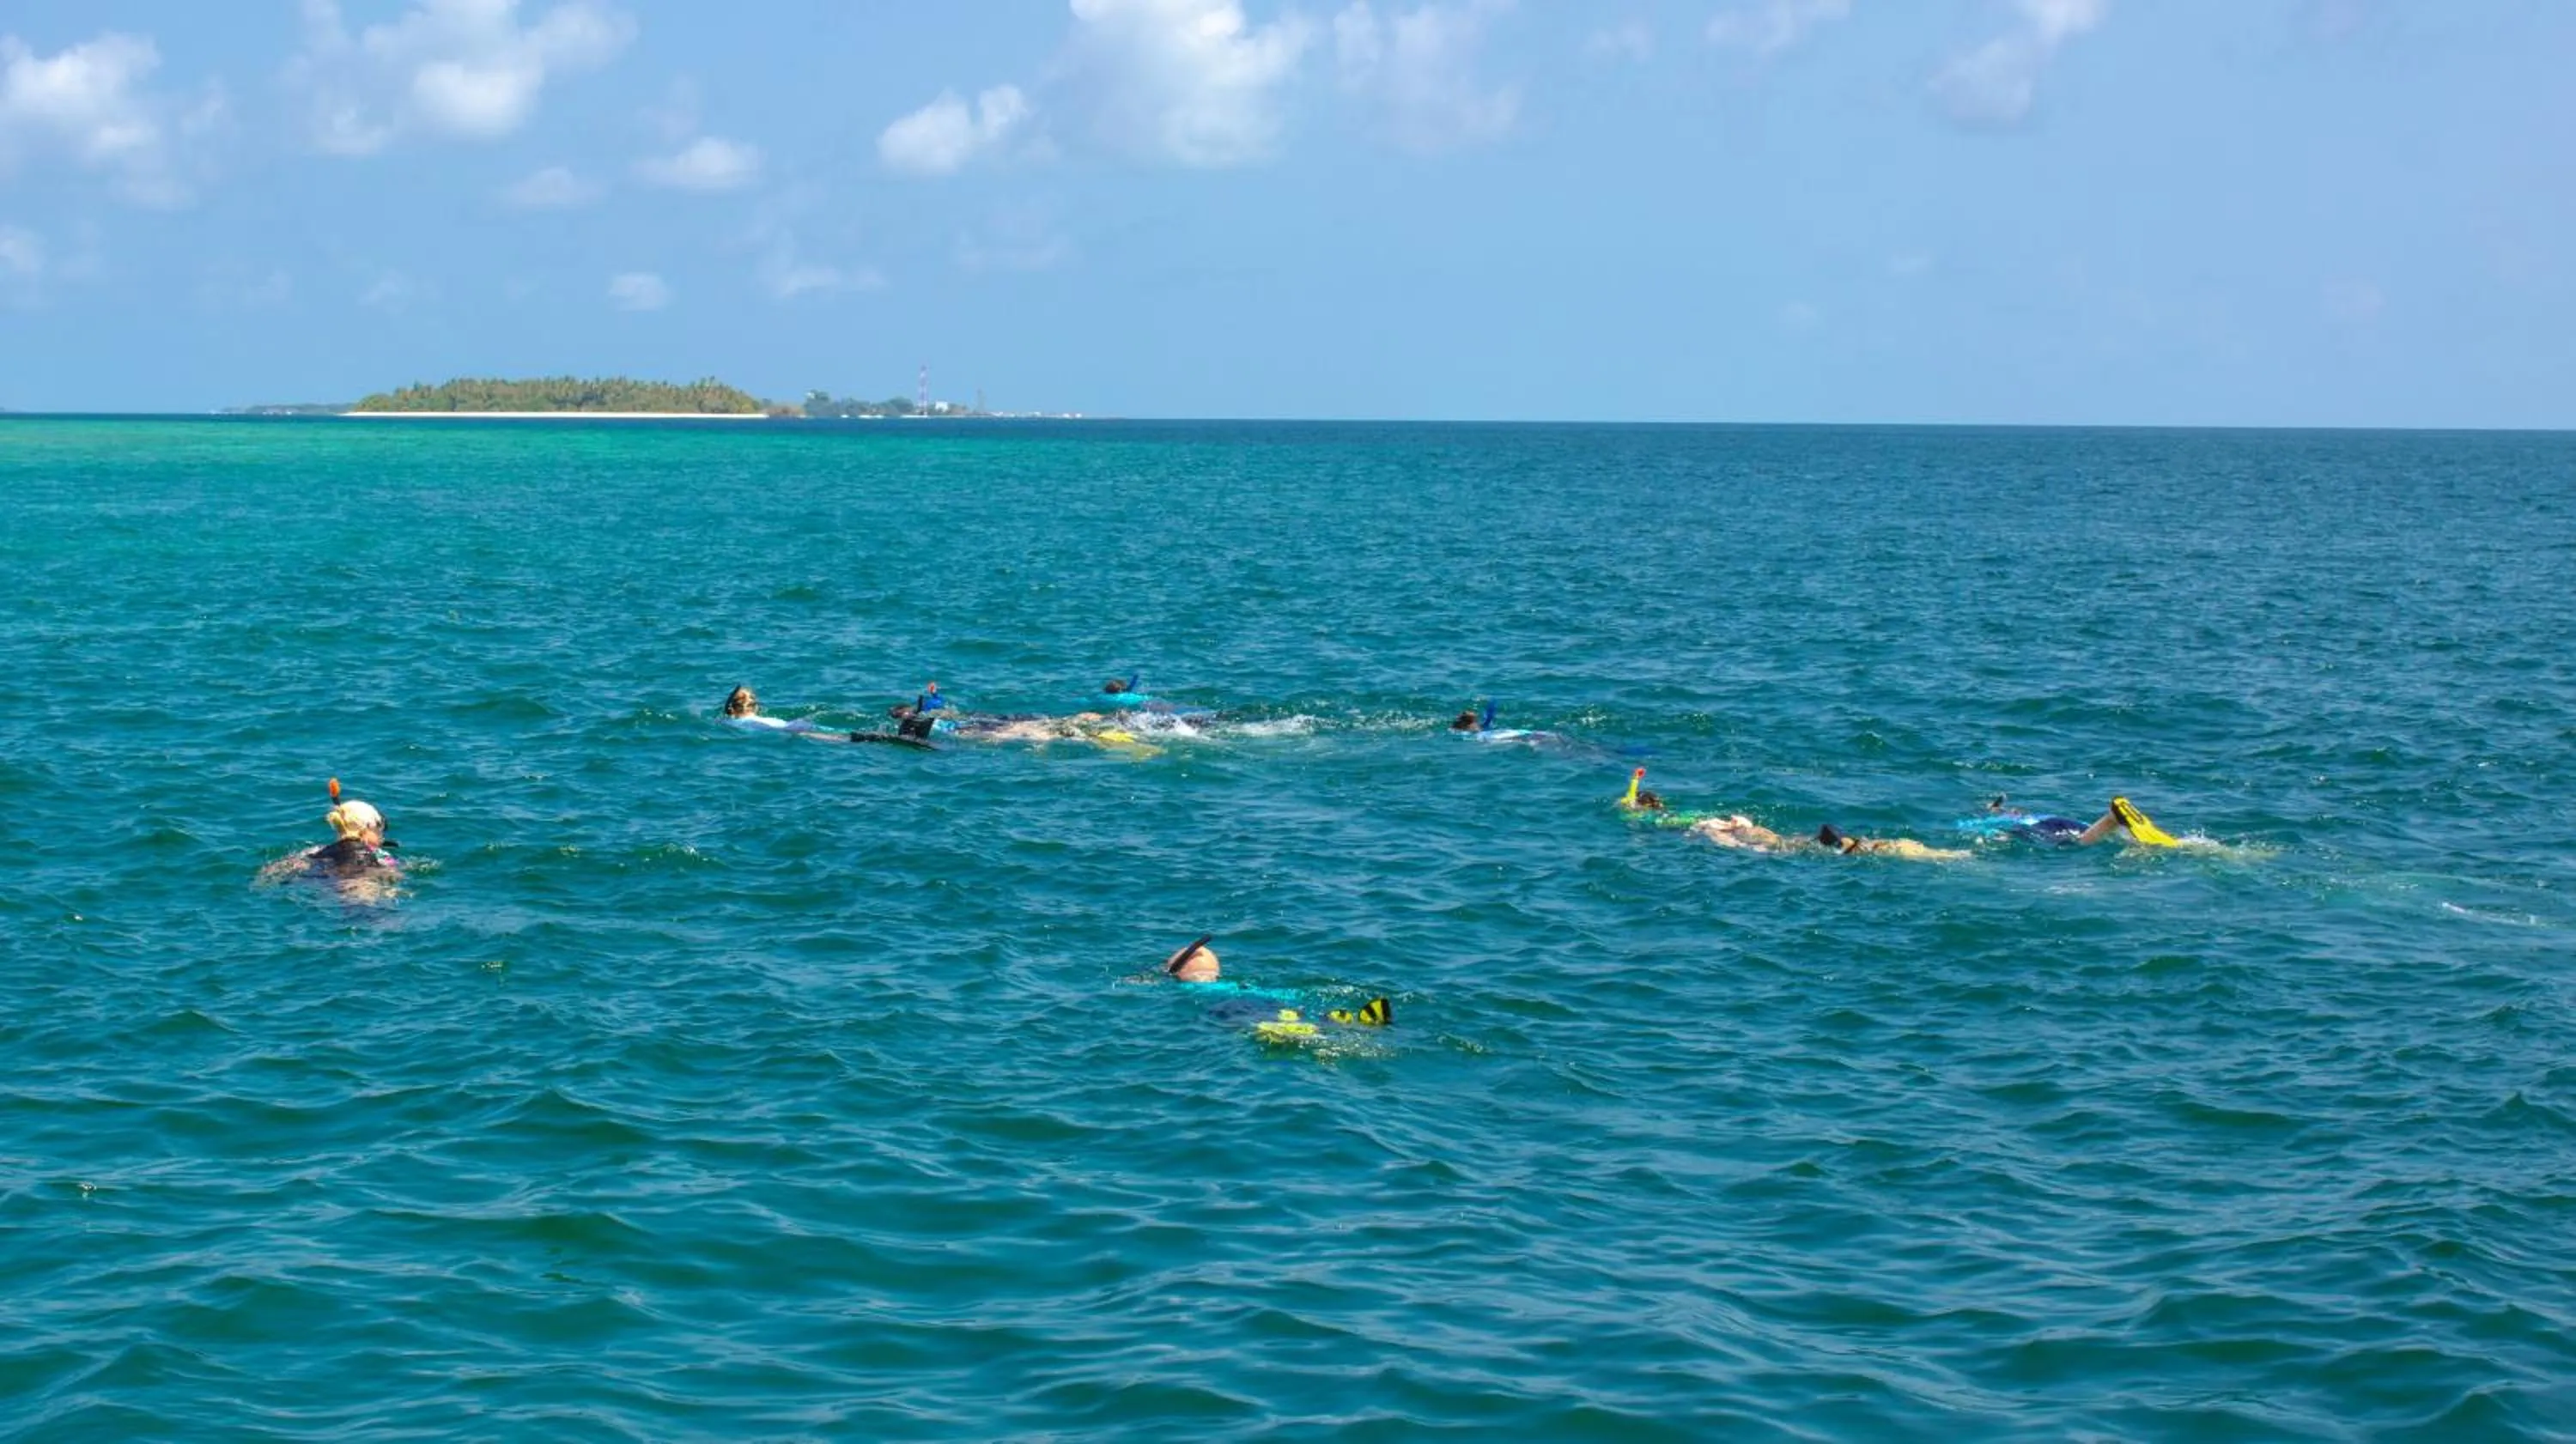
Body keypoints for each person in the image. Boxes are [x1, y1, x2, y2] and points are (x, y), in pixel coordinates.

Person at [1157, 935, 1392, 1030]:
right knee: (1288, 1010)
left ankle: (1302, 1027)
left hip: (1232, 1005)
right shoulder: (1240, 984)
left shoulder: (1190, 987)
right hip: (1269, 997)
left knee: (1256, 1022)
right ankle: (1330, 1018)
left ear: (1179, 972)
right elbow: (1293, 993)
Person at [260, 779, 402, 897]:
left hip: (325, 886)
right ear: (366, 829)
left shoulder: (317, 851)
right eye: (378, 831)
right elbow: (395, 876)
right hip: (360, 889)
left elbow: (279, 869)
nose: (380, 836)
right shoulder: (379, 856)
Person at [1813, 824, 1970, 861]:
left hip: (1897, 849)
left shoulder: (1845, 848)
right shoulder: (1852, 840)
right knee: (1942, 854)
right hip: (1899, 843)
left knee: (1944, 858)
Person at [720, 685, 819, 733]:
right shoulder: (770, 720)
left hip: (779, 729)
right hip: (788, 724)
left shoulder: (730, 722)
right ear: (756, 707)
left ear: (732, 708)